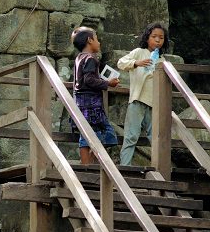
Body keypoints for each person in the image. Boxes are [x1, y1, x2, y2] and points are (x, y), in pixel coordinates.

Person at [117, 22, 170, 166]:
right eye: (154, 36)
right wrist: (137, 63)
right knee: (131, 136)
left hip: (155, 104)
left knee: (156, 138)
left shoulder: (162, 60)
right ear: (147, 38)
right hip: (138, 99)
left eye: (161, 38)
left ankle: (158, 168)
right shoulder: (139, 52)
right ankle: (125, 167)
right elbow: (121, 63)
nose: (158, 40)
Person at [71, 27, 120, 164]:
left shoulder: (79, 58)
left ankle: (86, 164)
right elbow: (89, 80)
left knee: (86, 134)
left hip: (80, 101)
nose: (99, 43)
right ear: (89, 40)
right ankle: (89, 163)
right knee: (107, 133)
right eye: (97, 39)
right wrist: (107, 83)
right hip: (91, 103)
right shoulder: (90, 59)